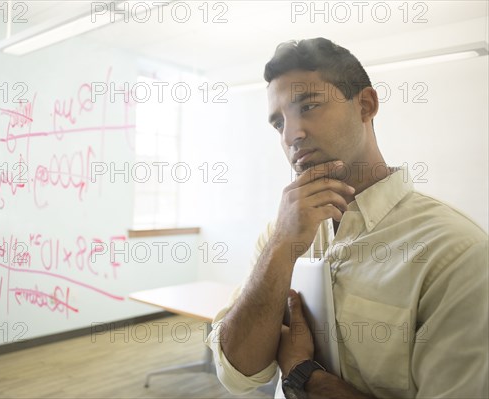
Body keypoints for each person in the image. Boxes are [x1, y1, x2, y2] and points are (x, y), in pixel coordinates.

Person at [206, 37, 488, 399]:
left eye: (308, 105)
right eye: (278, 124)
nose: (291, 135)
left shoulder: (457, 252)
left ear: (366, 105)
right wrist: (281, 246)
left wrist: (303, 374)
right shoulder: (280, 234)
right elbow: (237, 374)